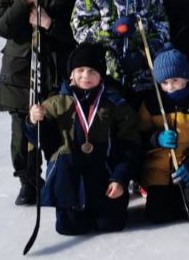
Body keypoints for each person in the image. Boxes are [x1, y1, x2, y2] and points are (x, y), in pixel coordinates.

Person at [0, 0, 77, 206]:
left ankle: (57, 174)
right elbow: (2, 26)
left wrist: (49, 24)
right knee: (22, 134)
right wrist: (24, 0)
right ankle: (28, 181)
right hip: (20, 75)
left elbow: (77, 34)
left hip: (55, 71)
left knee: (55, 128)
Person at [27, 43, 138, 236]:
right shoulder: (55, 104)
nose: (86, 75)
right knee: (69, 228)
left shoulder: (115, 105)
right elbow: (42, 141)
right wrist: (34, 122)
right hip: (69, 185)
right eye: (80, 70)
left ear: (102, 75)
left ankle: (105, 205)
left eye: (92, 71)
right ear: (71, 74)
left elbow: (130, 145)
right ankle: (70, 208)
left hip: (104, 182)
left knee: (110, 225)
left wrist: (120, 178)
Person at [137, 48, 189, 223]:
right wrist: (156, 139)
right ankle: (172, 198)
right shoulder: (152, 103)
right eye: (165, 83)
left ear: (186, 77)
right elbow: (138, 137)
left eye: (175, 80)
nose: (170, 87)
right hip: (159, 171)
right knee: (158, 215)